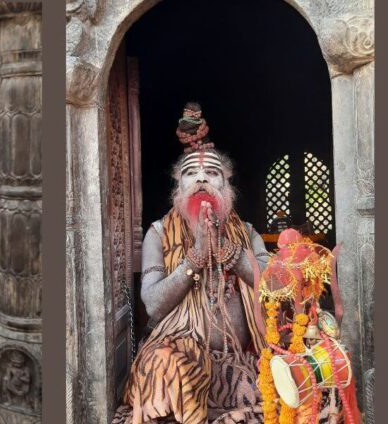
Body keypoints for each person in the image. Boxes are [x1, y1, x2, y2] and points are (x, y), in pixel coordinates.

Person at [113, 103, 271, 424]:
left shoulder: (247, 232)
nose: (201, 178)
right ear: (178, 186)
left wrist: (229, 251)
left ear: (227, 185)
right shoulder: (159, 233)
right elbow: (153, 304)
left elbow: (275, 285)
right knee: (162, 365)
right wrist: (196, 257)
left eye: (212, 173)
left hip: (240, 358)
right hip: (179, 352)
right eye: (190, 174)